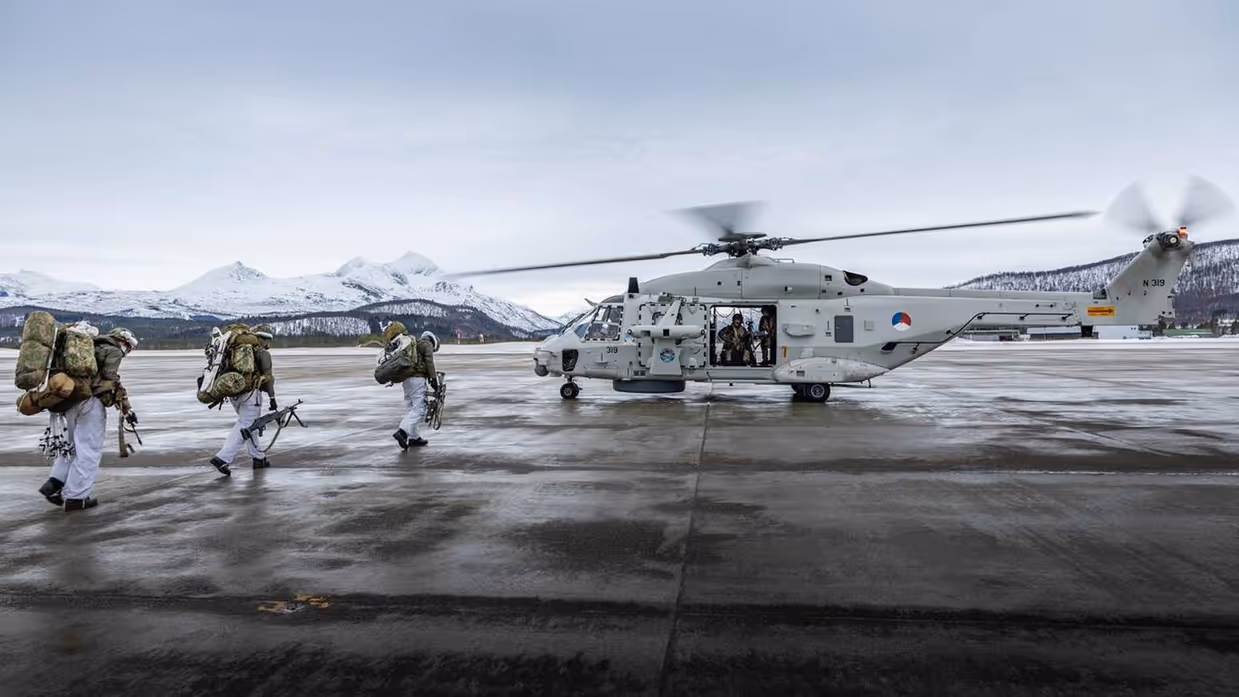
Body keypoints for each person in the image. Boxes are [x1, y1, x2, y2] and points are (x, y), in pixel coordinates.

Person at [38, 327, 139, 511]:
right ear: (122, 340)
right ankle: (76, 498)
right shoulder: (113, 351)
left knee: (70, 446)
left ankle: (55, 482)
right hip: (89, 403)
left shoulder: (89, 345)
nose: (127, 351)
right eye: (129, 346)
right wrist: (124, 407)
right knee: (88, 450)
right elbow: (110, 382)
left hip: (68, 399)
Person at [209, 324, 277, 476]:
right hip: (251, 394)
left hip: (235, 393)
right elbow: (269, 377)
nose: (268, 343)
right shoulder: (261, 352)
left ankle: (258, 458)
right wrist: (272, 398)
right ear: (262, 338)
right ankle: (222, 458)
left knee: (251, 425)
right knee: (246, 426)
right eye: (267, 339)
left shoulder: (235, 349)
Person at [384, 323, 439, 450]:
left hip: (406, 380)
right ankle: (402, 432)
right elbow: (429, 361)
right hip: (417, 380)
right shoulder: (426, 344)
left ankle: (413, 437)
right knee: (420, 408)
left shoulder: (412, 344)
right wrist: (433, 378)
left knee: (410, 409)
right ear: (432, 340)